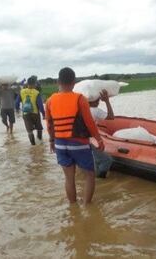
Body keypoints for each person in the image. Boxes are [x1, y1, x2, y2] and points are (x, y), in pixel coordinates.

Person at [45, 67, 105, 205]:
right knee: (90, 175)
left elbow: (49, 124)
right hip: (78, 143)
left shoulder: (50, 101)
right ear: (74, 82)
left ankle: (73, 208)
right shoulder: (80, 99)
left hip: (60, 144)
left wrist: (51, 141)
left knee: (69, 178)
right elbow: (90, 123)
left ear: (58, 82)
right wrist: (99, 139)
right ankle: (87, 207)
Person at [88, 89, 114, 178]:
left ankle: (96, 180)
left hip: (79, 140)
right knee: (107, 160)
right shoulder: (95, 110)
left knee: (95, 159)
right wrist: (107, 101)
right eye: (98, 100)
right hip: (87, 141)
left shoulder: (82, 109)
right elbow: (111, 117)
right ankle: (101, 179)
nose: (99, 102)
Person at [15, 76, 45, 145]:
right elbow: (40, 105)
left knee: (29, 131)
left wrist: (17, 109)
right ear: (34, 84)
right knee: (39, 128)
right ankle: (40, 144)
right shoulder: (36, 92)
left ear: (27, 83)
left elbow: (16, 103)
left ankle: (33, 146)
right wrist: (43, 114)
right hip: (35, 113)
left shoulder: (22, 91)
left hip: (26, 114)